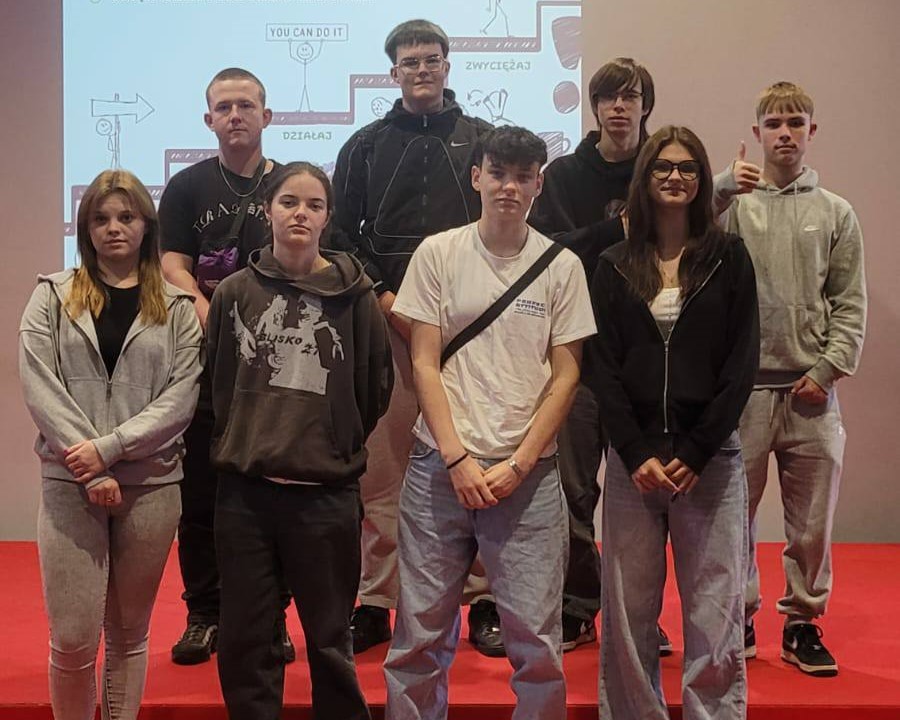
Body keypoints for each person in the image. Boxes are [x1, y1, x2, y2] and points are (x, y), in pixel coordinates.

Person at [383, 126, 596, 720]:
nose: (509, 187)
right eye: (498, 173)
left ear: (538, 185)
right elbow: (423, 362)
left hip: (528, 476)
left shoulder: (562, 266)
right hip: (438, 468)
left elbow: (567, 376)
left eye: (523, 176)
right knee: (419, 637)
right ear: (477, 176)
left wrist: (520, 463)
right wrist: (456, 457)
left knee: (537, 643)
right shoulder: (438, 253)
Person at [330, 19, 499, 656]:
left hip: (470, 328)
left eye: (431, 59)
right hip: (387, 321)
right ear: (393, 72)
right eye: (410, 62)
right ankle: (377, 601)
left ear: (448, 66)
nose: (421, 69)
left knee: (476, 458)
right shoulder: (365, 147)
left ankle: (482, 599)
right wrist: (383, 298)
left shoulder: (484, 141)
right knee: (384, 471)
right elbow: (339, 235)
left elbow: (503, 226)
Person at [207, 161, 393, 720]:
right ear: (267, 210)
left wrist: (332, 440)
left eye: (314, 205)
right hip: (246, 496)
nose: (300, 214)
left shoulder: (356, 298)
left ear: (327, 217)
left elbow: (374, 386)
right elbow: (218, 383)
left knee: (331, 640)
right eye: (289, 202)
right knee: (246, 639)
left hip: (325, 496)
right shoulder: (234, 293)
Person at [19, 169, 202, 720]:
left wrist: (113, 448)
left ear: (147, 225)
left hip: (151, 486)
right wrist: (90, 462)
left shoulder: (178, 307)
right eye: (101, 218)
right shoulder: (50, 296)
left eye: (126, 216)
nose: (114, 227)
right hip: (70, 483)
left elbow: (182, 397)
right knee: (73, 638)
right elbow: (39, 384)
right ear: (86, 229)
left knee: (128, 634)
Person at [589, 126, 759, 719]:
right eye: (663, 167)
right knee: (628, 612)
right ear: (645, 178)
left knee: (715, 611)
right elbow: (602, 367)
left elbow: (741, 363)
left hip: (709, 464)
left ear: (702, 179)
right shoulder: (613, 264)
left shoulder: (729, 258)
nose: (676, 177)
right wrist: (635, 453)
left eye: (688, 168)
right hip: (634, 466)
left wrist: (699, 449)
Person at [714, 81, 867, 677]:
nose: (784, 133)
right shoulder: (735, 208)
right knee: (733, 516)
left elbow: (849, 304)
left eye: (795, 122)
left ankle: (802, 623)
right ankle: (740, 616)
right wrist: (722, 187)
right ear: (757, 133)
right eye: (774, 123)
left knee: (811, 523)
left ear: (811, 131)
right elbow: (686, 243)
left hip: (812, 395)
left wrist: (827, 370)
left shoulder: (836, 212)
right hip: (744, 393)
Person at [529, 56, 673, 654]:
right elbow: (549, 251)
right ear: (593, 107)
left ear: (646, 106)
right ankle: (578, 606)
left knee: (646, 494)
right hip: (580, 358)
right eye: (609, 97)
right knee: (573, 492)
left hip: (651, 361)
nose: (619, 107)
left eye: (630, 97)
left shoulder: (665, 168)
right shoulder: (564, 174)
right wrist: (615, 229)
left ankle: (639, 615)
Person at [158, 67, 293, 665]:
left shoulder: (289, 186)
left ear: (267, 115)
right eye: (224, 107)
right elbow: (172, 263)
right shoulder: (187, 187)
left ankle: (272, 619)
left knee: (276, 497)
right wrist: (209, 312)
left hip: (278, 368)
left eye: (246, 105)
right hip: (206, 364)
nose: (235, 115)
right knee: (201, 498)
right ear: (208, 119)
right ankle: (204, 615)